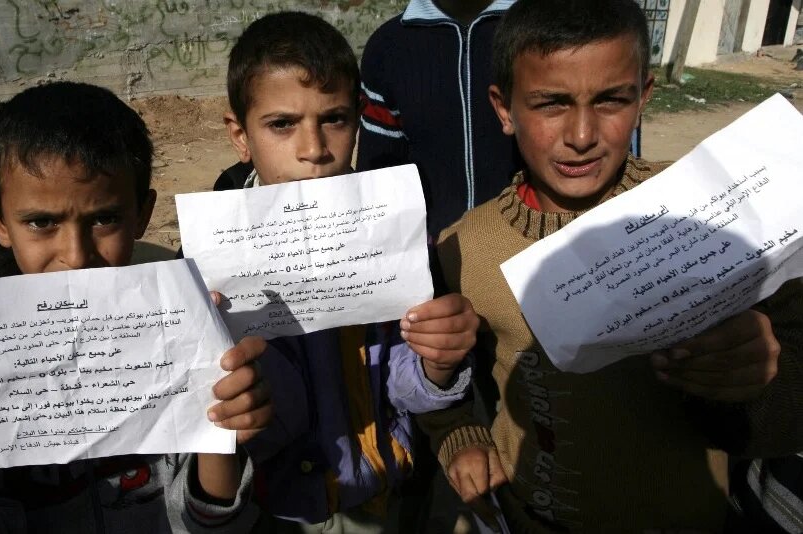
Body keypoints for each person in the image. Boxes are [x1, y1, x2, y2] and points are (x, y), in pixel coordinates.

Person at [418, 0, 803, 531]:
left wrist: (764, 374)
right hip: (530, 518)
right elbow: (430, 371)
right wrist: (459, 435)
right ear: (504, 109)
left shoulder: (711, 214)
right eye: (551, 103)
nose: (581, 135)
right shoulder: (464, 248)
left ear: (643, 96)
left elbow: (791, 380)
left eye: (611, 100)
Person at [0, 81, 272, 533]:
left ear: (142, 214)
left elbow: (211, 524)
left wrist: (219, 431)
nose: (75, 256)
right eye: (41, 222)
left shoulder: (182, 326)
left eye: (104, 219)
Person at [218, 12, 479, 531]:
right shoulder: (215, 265)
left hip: (388, 493)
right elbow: (235, 428)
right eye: (282, 124)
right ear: (240, 135)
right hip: (279, 513)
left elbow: (402, 384)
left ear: (358, 120)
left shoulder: (391, 234)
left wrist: (437, 363)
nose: (314, 149)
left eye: (334, 119)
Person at [356, 0, 520, 238]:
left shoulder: (541, 31)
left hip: (533, 248)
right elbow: (378, 179)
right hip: (426, 250)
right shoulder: (387, 47)